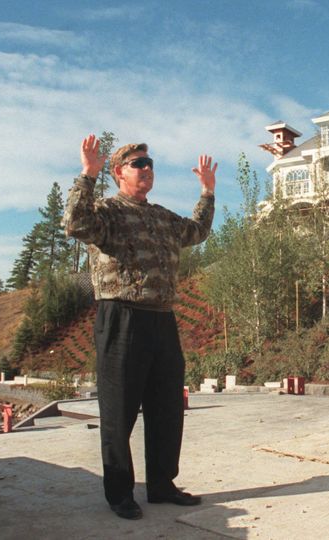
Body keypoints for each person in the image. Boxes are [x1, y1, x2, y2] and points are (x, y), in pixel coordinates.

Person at [63, 134, 216, 520]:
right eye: (138, 164)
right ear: (119, 173)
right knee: (120, 412)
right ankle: (120, 494)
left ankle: (162, 486)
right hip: (122, 318)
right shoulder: (107, 212)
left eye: (150, 164)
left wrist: (207, 193)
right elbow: (74, 223)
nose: (147, 170)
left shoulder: (161, 216)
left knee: (167, 409)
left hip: (162, 319)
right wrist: (87, 175)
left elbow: (196, 232)